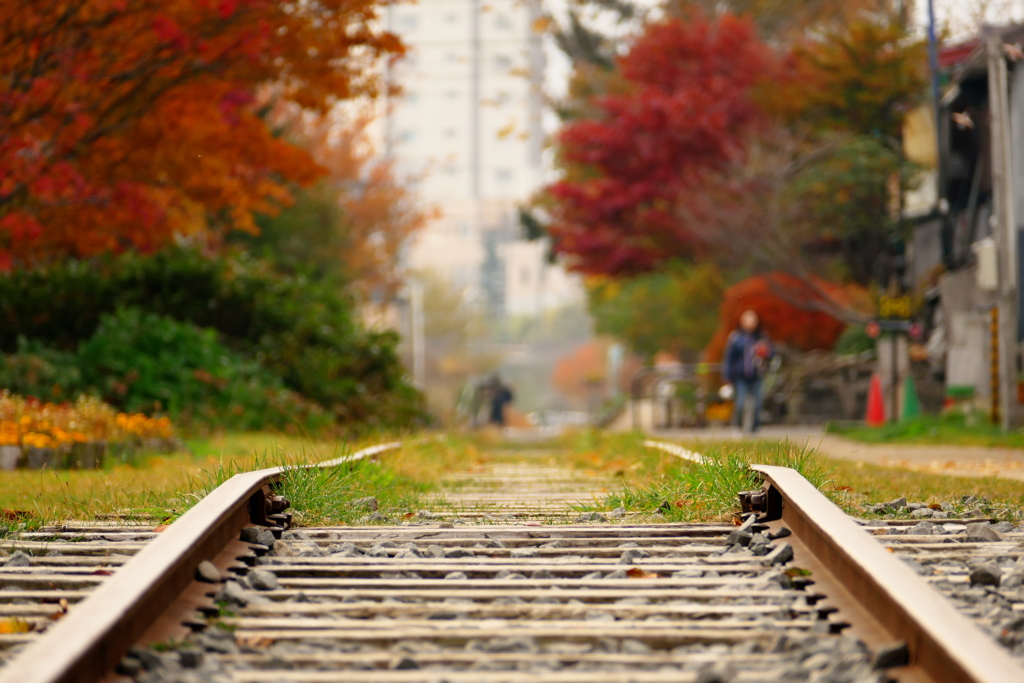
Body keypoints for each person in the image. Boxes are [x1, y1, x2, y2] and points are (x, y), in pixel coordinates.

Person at [722, 310, 773, 433]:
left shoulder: (762, 337)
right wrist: (727, 376)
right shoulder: (736, 338)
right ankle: (738, 427)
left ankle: (754, 430)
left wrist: (765, 352)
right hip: (740, 376)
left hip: (757, 375)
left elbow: (771, 353)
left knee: (758, 404)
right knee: (740, 403)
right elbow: (729, 358)